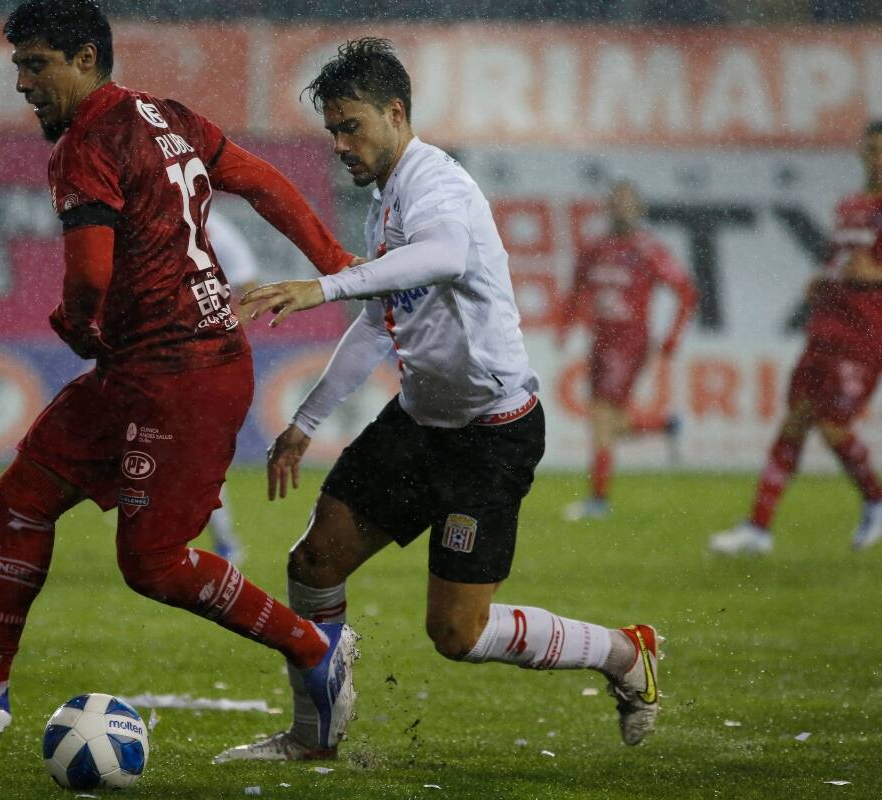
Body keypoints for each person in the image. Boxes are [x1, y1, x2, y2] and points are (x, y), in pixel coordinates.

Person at [0, 0, 361, 752]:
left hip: (180, 374)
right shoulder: (168, 115)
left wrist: (76, 323)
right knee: (26, 493)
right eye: (18, 66)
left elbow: (89, 277)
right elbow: (263, 180)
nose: (22, 83)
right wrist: (334, 259)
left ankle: (313, 646)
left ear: (85, 59)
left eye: (36, 65)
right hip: (151, 363)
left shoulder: (87, 143)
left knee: (153, 565)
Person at [214, 38, 661, 764]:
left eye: (351, 126)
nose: (340, 145)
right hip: (419, 424)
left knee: (457, 634)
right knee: (315, 561)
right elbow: (377, 324)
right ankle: (313, 735)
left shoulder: (438, 185)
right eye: (332, 131)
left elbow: (447, 255)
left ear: (396, 113)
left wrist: (322, 286)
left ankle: (623, 652)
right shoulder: (385, 203)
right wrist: (305, 422)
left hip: (490, 435)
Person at [710, 120, 882, 555]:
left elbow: (868, 269)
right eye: (872, 150)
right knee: (796, 419)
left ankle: (876, 499)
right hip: (827, 327)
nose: (877, 159)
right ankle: (758, 528)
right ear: (862, 154)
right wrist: (824, 279)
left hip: (864, 334)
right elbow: (841, 261)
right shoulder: (850, 206)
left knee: (832, 424)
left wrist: (874, 274)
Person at [555, 181, 697, 521]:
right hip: (600, 341)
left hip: (629, 343)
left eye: (628, 204)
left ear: (639, 210)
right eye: (616, 203)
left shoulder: (649, 249)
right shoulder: (596, 248)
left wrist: (673, 336)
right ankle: (664, 424)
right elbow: (576, 289)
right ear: (608, 208)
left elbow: (686, 291)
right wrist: (565, 326)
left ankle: (598, 501)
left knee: (602, 419)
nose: (621, 209)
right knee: (607, 422)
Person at [201, 209, 261, 565]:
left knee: (197, 454)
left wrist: (219, 338)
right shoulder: (139, 217)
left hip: (193, 361)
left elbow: (250, 286)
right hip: (144, 350)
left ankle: (224, 541)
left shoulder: (213, 228)